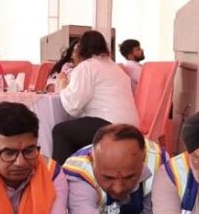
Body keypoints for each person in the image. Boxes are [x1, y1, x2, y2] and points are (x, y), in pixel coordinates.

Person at [52, 30, 139, 164]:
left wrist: (63, 85)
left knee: (60, 131)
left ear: (81, 49)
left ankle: (61, 175)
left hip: (108, 124)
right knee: (77, 129)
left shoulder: (86, 67)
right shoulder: (116, 68)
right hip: (131, 126)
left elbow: (73, 105)